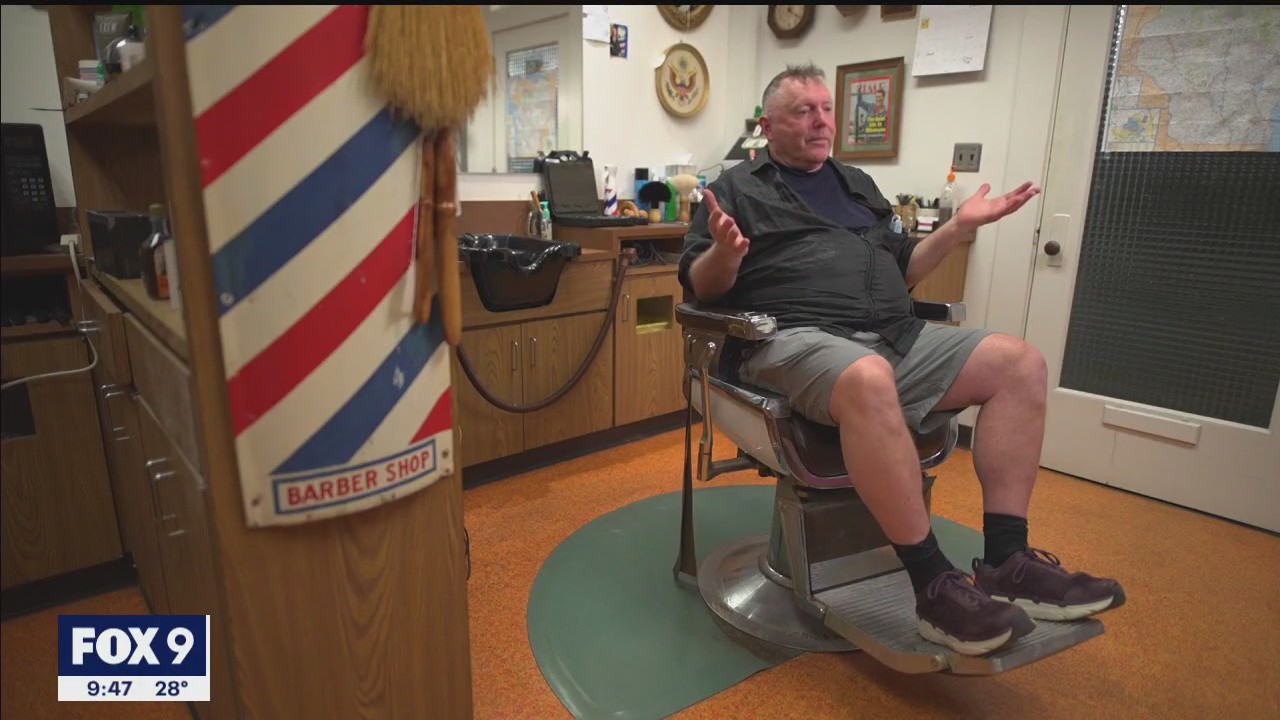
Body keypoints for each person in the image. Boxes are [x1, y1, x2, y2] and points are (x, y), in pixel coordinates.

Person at [678, 63, 1125, 657]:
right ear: (767, 125)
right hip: (789, 338)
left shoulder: (857, 183)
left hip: (891, 331)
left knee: (1021, 364)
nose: (821, 120)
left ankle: (1007, 561)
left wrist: (958, 228)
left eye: (826, 108)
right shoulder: (733, 190)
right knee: (868, 377)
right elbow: (700, 287)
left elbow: (905, 268)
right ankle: (933, 585)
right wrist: (727, 256)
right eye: (802, 111)